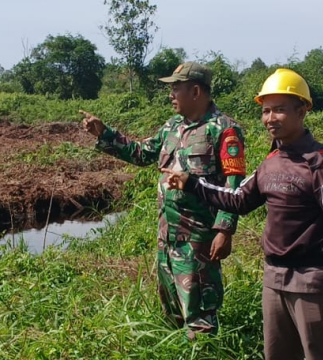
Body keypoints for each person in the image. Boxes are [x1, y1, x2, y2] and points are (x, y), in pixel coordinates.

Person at [162, 68, 323, 360]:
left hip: (310, 279)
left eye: (279, 110)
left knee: (317, 354)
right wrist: (192, 184)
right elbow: (239, 199)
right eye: (266, 111)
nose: (270, 118)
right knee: (276, 354)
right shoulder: (272, 162)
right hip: (274, 277)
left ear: (302, 110)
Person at [80, 61, 246, 339]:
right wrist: (104, 133)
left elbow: (234, 185)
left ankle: (202, 351)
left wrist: (225, 230)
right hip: (167, 236)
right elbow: (141, 153)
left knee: (199, 314)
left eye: (176, 88)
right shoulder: (172, 126)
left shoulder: (224, 130)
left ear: (195, 91)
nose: (171, 95)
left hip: (198, 239)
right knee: (172, 310)